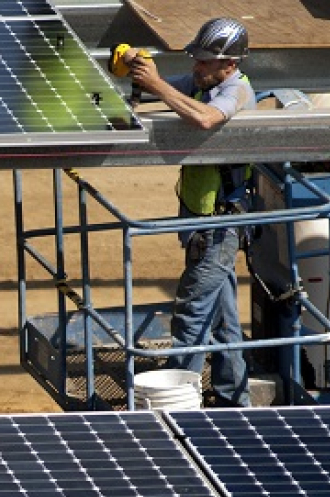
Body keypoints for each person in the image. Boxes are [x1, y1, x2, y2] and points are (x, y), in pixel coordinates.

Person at [125, 18, 255, 407]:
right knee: (224, 320)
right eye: (195, 60)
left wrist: (157, 85)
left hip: (221, 225)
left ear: (228, 64)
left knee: (192, 313)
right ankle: (236, 400)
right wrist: (136, 68)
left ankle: (175, 405)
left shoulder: (236, 90)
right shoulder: (204, 83)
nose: (196, 68)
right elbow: (161, 92)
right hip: (202, 223)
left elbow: (205, 118)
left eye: (203, 62)